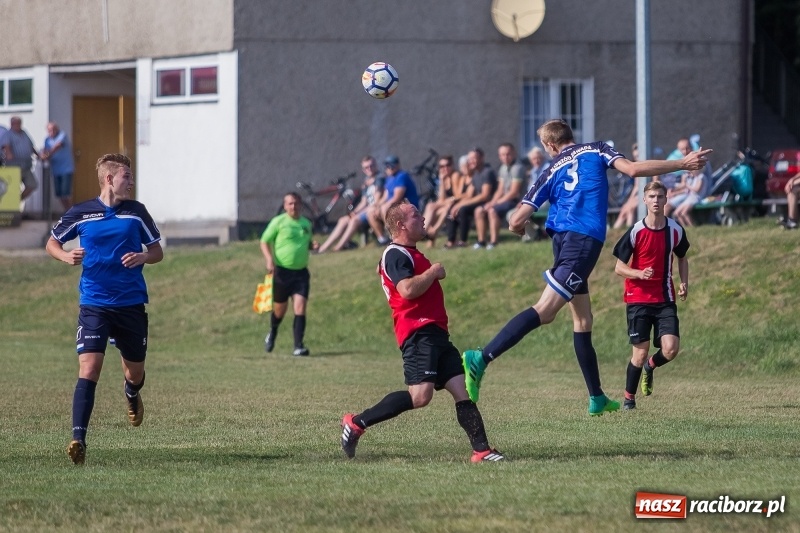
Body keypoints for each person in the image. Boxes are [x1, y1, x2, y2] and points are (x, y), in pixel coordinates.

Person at [461, 119, 711, 415]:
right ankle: (482, 357)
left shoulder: (549, 170)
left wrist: (519, 227)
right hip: (583, 244)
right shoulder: (596, 149)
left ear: (551, 146)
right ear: (569, 137)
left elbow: (516, 220)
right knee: (545, 310)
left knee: (583, 320)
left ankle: (597, 397)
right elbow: (632, 170)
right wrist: (681, 164)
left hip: (566, 242)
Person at [340, 201, 504, 462]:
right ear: (401, 225)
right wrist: (433, 272)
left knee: (461, 390)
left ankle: (482, 450)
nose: (423, 218)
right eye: (416, 215)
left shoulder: (406, 253)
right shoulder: (395, 253)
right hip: (418, 333)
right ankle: (356, 422)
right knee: (420, 396)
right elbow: (406, 290)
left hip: (437, 333)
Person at [45, 153, 163, 465]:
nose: (132, 181)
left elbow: (157, 251)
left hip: (130, 305)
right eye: (127, 175)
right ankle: (78, 438)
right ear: (109, 179)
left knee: (134, 372)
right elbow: (52, 243)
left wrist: (142, 258)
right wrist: (65, 256)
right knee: (89, 369)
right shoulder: (81, 212)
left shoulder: (136, 213)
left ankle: (131, 392)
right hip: (94, 304)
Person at [612, 181, 689, 410]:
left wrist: (684, 282)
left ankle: (650, 367)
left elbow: (683, 256)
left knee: (671, 349)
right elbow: (618, 267)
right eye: (652, 196)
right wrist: (638, 273)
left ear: (666, 199)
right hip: (638, 299)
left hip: (665, 298)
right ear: (644, 200)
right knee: (639, 352)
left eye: (660, 196)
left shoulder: (675, 229)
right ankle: (628, 400)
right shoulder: (636, 231)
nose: (656, 200)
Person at [260, 192, 314, 356]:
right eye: (290, 204)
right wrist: (269, 259)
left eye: (296, 203)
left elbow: (306, 242)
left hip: (301, 274)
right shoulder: (278, 222)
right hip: (282, 273)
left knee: (300, 307)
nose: (293, 206)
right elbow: (264, 241)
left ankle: (298, 346)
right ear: (284, 206)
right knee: (279, 310)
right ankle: (273, 331)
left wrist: (313, 245)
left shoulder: (306, 223)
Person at [317, 156, 385, 253]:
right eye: (366, 167)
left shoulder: (380, 179)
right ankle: (323, 248)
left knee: (354, 220)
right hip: (365, 210)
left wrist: (357, 214)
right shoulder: (367, 181)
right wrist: (354, 212)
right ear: (363, 170)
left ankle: (338, 247)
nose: (369, 169)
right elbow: (363, 202)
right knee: (343, 220)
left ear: (376, 165)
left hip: (374, 210)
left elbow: (376, 201)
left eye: (371, 166)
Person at [473, 143, 526, 249]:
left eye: (508, 154)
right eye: (502, 155)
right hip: (505, 199)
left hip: (516, 201)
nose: (505, 157)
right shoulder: (503, 168)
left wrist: (495, 204)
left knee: (492, 211)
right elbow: (500, 190)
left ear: (513, 153)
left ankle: (494, 241)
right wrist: (492, 202)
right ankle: (481, 241)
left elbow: (514, 192)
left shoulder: (518, 168)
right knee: (478, 210)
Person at [444, 148, 496, 248]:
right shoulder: (476, 174)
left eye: (474, 158)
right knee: (452, 208)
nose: (471, 161)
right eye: (470, 159)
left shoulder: (487, 172)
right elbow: (469, 194)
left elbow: (485, 195)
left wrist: (461, 205)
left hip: (487, 202)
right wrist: (457, 204)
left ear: (481, 158)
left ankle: (463, 241)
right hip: (479, 201)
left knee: (463, 209)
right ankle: (451, 240)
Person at [367, 155, 419, 245]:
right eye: (387, 166)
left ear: (397, 165)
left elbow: (397, 197)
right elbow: (386, 196)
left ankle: (394, 237)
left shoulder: (402, 176)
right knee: (370, 211)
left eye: (391, 165)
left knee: (385, 208)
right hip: (395, 204)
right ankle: (382, 239)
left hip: (408, 205)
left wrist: (383, 207)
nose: (389, 168)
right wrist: (377, 206)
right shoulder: (389, 178)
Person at [422, 154, 463, 248]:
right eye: (442, 166)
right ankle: (427, 231)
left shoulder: (455, 176)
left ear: (452, 165)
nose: (445, 168)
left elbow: (457, 196)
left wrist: (449, 200)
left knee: (437, 208)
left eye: (447, 165)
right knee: (432, 207)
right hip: (446, 205)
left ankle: (426, 230)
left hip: (455, 205)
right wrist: (441, 180)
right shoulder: (443, 177)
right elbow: (441, 199)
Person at [1, 116, 40, 201]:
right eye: (16, 123)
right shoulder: (8, 134)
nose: (18, 125)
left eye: (19, 123)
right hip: (14, 167)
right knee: (14, 188)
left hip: (26, 166)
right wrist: (9, 154)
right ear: (12, 124)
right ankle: (13, 207)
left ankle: (17, 200)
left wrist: (38, 155)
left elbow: (31, 146)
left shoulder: (24, 133)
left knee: (32, 185)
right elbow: (6, 146)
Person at [41, 121, 76, 211]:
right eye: (49, 130)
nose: (51, 132)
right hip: (56, 170)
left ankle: (71, 212)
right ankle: (67, 211)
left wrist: (48, 155)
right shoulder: (47, 140)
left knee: (65, 194)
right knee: (60, 194)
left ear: (57, 129)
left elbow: (57, 146)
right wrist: (42, 155)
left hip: (66, 169)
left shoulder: (62, 135)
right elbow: (45, 151)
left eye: (53, 130)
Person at [612, 143, 643, 229]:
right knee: (624, 209)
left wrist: (630, 199)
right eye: (636, 156)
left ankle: (629, 231)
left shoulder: (644, 166)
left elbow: (638, 186)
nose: (637, 157)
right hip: (638, 195)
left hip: (645, 194)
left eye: (639, 155)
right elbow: (636, 187)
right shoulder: (635, 165)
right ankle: (614, 232)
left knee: (630, 209)